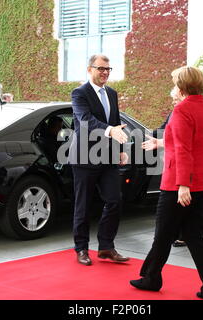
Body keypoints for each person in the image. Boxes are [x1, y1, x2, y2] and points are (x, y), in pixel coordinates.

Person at [130, 66, 203, 300]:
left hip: (180, 185)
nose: (171, 89)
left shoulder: (181, 110)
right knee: (195, 236)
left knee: (163, 234)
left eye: (173, 84)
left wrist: (183, 185)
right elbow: (193, 142)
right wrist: (160, 143)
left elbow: (183, 149)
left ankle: (151, 278)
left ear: (181, 87)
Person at [143, 89, 203, 238]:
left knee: (192, 194)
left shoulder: (179, 112)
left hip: (200, 158)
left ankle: (184, 235)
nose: (173, 102)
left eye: (174, 99)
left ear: (181, 94)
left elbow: (179, 144)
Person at [69, 54, 130, 266]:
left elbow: (115, 121)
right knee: (83, 206)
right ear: (89, 69)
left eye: (108, 69)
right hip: (85, 158)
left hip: (109, 157)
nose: (105, 72)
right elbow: (85, 121)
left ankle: (106, 247)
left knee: (114, 200)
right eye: (100, 68)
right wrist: (111, 131)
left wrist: (121, 149)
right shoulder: (79, 93)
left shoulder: (112, 93)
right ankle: (81, 248)